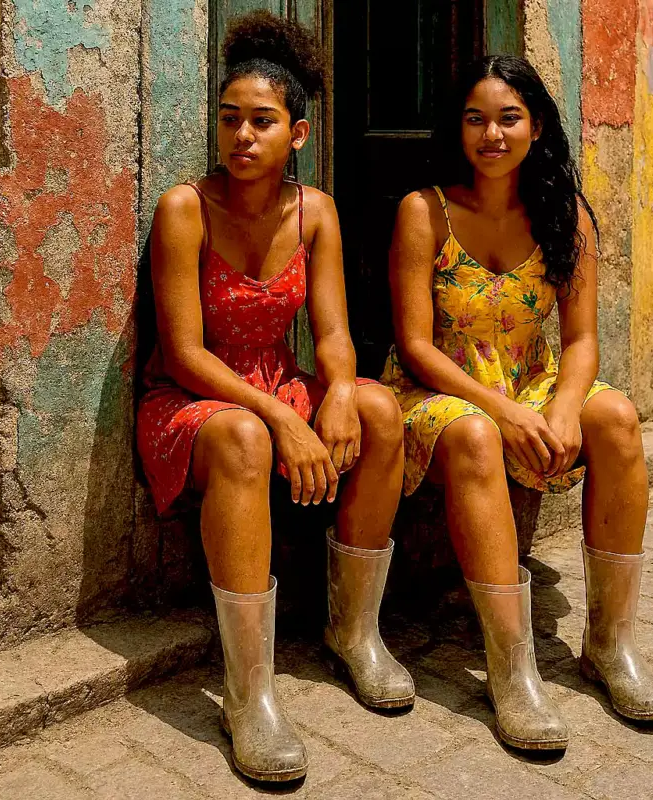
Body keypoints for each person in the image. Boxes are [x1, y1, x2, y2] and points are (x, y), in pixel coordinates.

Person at [137, 11, 413, 784]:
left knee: (381, 411)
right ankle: (248, 691)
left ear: (297, 132)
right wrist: (283, 414)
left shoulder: (313, 209)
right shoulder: (184, 208)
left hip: (276, 384)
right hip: (195, 401)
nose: (242, 137)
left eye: (262, 122)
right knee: (246, 440)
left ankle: (354, 631)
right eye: (230, 121)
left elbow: (331, 334)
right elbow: (186, 354)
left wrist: (334, 394)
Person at [383, 54, 653, 752]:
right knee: (478, 435)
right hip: (439, 387)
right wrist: (505, 411)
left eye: (509, 118)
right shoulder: (425, 210)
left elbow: (579, 342)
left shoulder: (563, 214)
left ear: (536, 127)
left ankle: (609, 644)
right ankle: (511, 669)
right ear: (458, 129)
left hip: (531, 377)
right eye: (476, 119)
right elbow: (417, 346)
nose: (492, 133)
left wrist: (565, 407)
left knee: (618, 419)